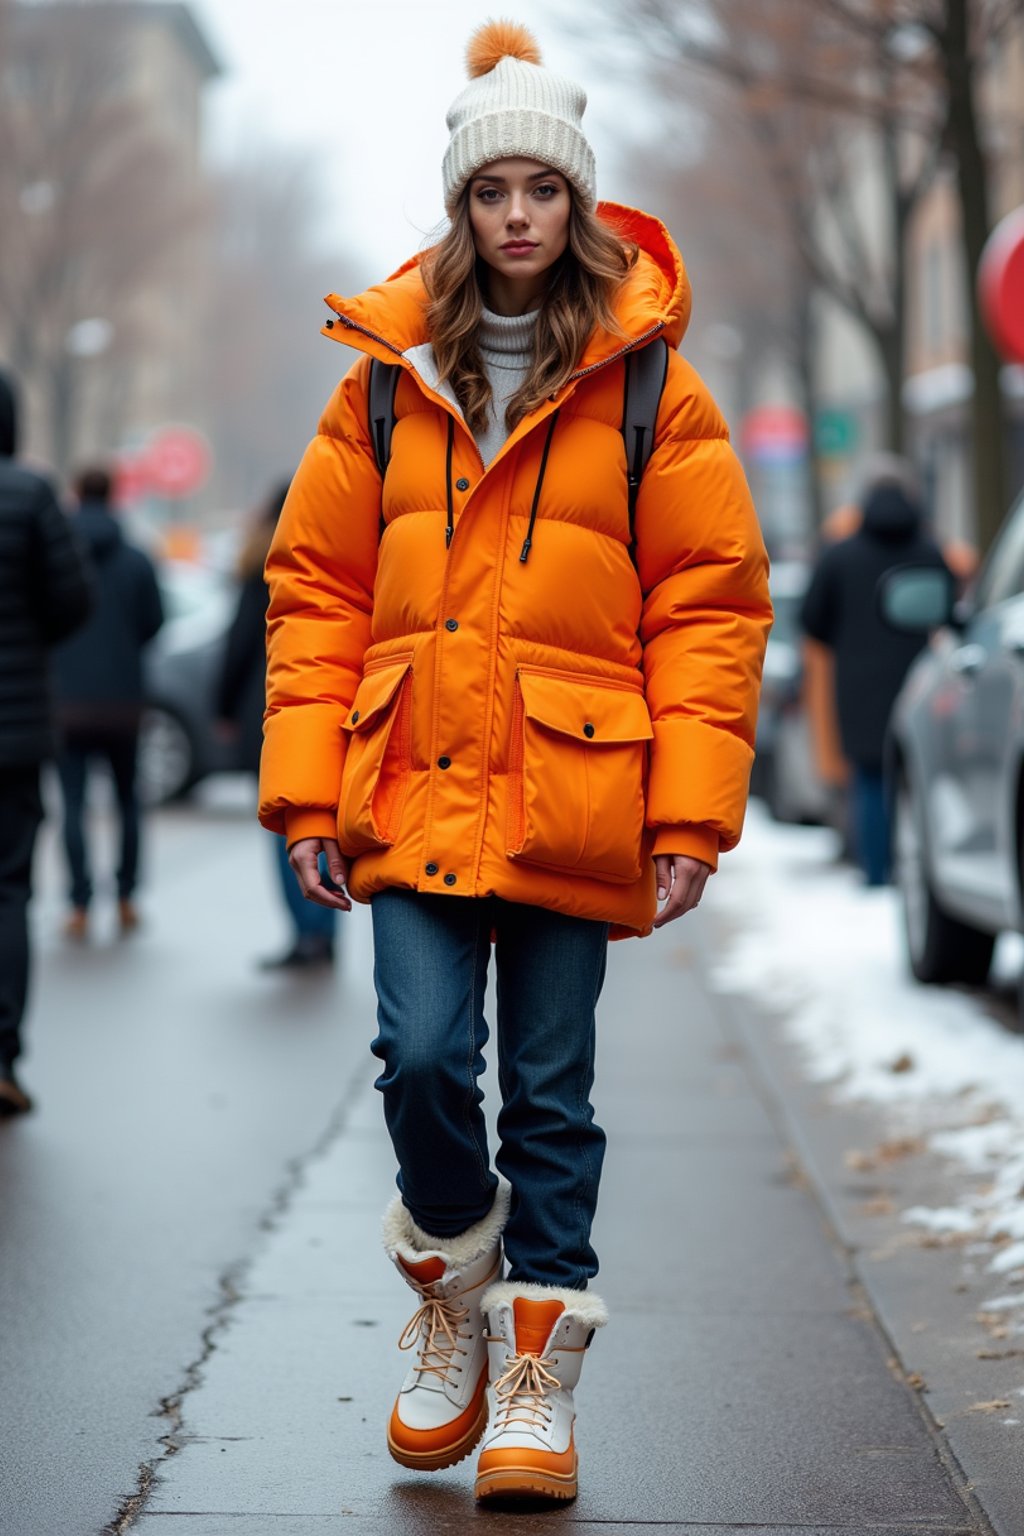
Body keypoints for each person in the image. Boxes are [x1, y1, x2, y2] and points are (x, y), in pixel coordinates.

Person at [258, 21, 771, 1505]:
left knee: (552, 1091)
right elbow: (316, 592)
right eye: (494, 193)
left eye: (546, 190)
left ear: (580, 203)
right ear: (463, 207)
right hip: (412, 779)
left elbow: (710, 602)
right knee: (422, 1057)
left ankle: (535, 1372)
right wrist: (305, 790)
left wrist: (689, 814)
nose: (520, 216)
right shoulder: (378, 380)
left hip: (575, 786)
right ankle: (450, 1283)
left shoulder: (645, 391)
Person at [0, 369, 92, 1116]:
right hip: (14, 730)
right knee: (8, 892)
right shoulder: (30, 496)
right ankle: (1, 1059)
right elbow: (72, 600)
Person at [801, 464, 950, 886]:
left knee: (868, 777)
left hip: (857, 683)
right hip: (917, 679)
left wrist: (847, 642)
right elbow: (949, 604)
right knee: (915, 773)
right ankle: (914, 867)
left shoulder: (840, 553)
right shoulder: (929, 550)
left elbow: (813, 619)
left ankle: (876, 872)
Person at [215, 482, 337, 970]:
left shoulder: (264, 562)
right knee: (320, 823)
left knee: (287, 827)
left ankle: (307, 933)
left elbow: (241, 643)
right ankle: (322, 931)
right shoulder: (337, 553)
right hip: (327, 708)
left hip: (269, 710)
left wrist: (222, 707)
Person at [53, 466, 163, 938]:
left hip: (66, 703)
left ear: (77, 495)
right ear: (115, 495)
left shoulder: (57, 559)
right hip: (122, 703)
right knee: (127, 801)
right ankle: (125, 897)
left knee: (73, 804)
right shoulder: (136, 559)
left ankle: (79, 903)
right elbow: (154, 621)